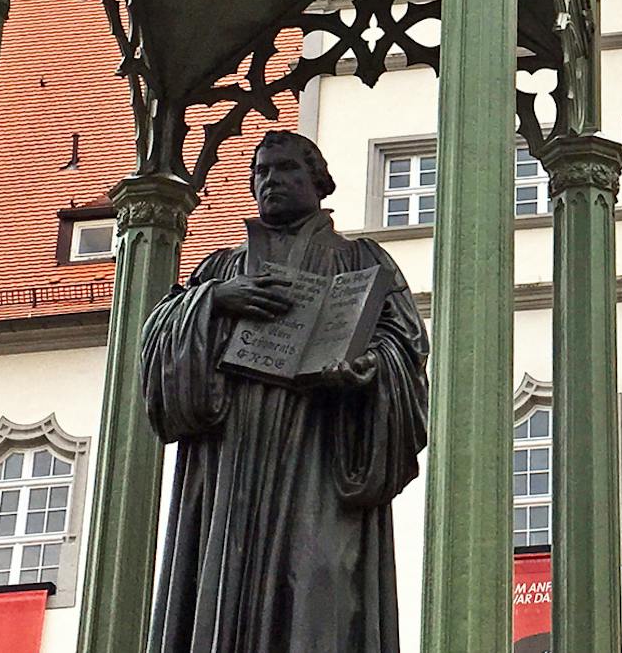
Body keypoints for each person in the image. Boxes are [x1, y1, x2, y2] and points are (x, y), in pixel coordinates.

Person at [142, 131, 429, 652]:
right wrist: (212, 302)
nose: (270, 181)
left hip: (318, 455)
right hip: (231, 463)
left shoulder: (363, 262)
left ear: (318, 182)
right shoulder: (223, 268)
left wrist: (366, 368)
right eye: (261, 171)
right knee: (223, 590)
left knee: (320, 584)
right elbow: (158, 347)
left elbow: (406, 349)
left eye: (286, 170)